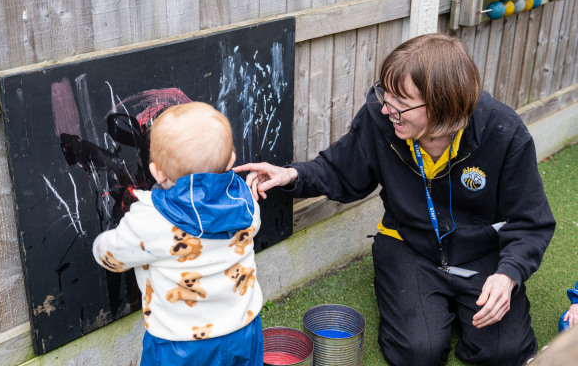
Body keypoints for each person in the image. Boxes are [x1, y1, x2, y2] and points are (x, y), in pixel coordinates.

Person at [233, 33, 555, 366]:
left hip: (481, 252)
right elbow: (340, 170)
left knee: (505, 352)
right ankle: (439, 309)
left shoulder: (504, 131)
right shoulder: (381, 117)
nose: (386, 108)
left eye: (401, 103)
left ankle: (461, 307)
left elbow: (532, 222)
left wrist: (509, 275)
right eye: (384, 92)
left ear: (443, 104)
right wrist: (292, 175)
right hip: (409, 246)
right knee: (418, 353)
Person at [93, 102, 263, 366]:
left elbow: (111, 255)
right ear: (232, 159)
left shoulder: (149, 221)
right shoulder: (245, 202)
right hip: (243, 331)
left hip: (180, 346)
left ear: (156, 172)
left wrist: (99, 245)